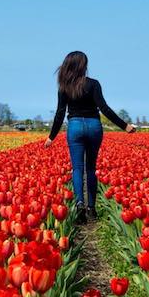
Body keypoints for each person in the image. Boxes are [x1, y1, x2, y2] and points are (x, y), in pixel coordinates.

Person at [44, 51, 136, 223]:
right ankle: (91, 209)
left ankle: (79, 203)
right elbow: (105, 108)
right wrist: (125, 126)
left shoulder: (64, 87)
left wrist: (51, 137)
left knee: (77, 168)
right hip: (94, 126)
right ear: (83, 65)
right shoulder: (93, 84)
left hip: (75, 126)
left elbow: (60, 113)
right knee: (91, 169)